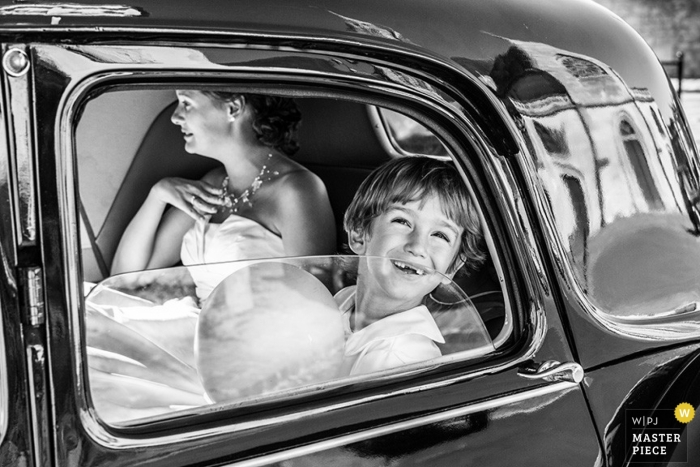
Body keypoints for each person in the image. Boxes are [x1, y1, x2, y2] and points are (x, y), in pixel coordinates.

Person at [110, 90, 336, 301]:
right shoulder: (213, 183)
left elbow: (312, 303)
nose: (175, 117)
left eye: (186, 104)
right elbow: (127, 278)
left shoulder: (298, 190)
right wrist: (157, 195)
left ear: (234, 108)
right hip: (201, 324)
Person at [336, 156, 486, 376]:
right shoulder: (342, 302)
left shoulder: (399, 359)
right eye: (402, 221)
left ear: (451, 268)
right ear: (359, 234)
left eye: (440, 235)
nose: (418, 246)